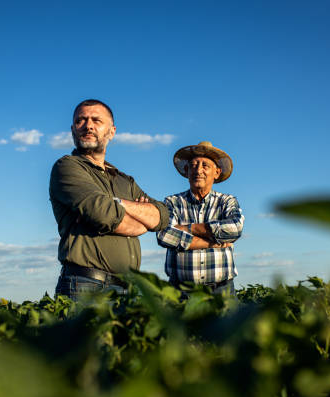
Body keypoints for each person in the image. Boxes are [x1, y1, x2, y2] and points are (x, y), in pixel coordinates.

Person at [50, 99, 169, 300]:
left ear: (112, 131)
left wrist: (118, 203)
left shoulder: (124, 180)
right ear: (72, 130)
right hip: (86, 286)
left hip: (128, 289)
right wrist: (142, 223)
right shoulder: (67, 167)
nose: (88, 125)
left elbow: (163, 215)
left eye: (96, 120)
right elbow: (103, 214)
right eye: (81, 120)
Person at [156, 141, 244, 296]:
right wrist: (213, 243)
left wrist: (189, 228)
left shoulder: (226, 201)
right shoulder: (173, 202)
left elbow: (235, 228)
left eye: (205, 166)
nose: (198, 170)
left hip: (221, 290)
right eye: (194, 165)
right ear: (187, 170)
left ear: (216, 173)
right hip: (182, 291)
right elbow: (164, 235)